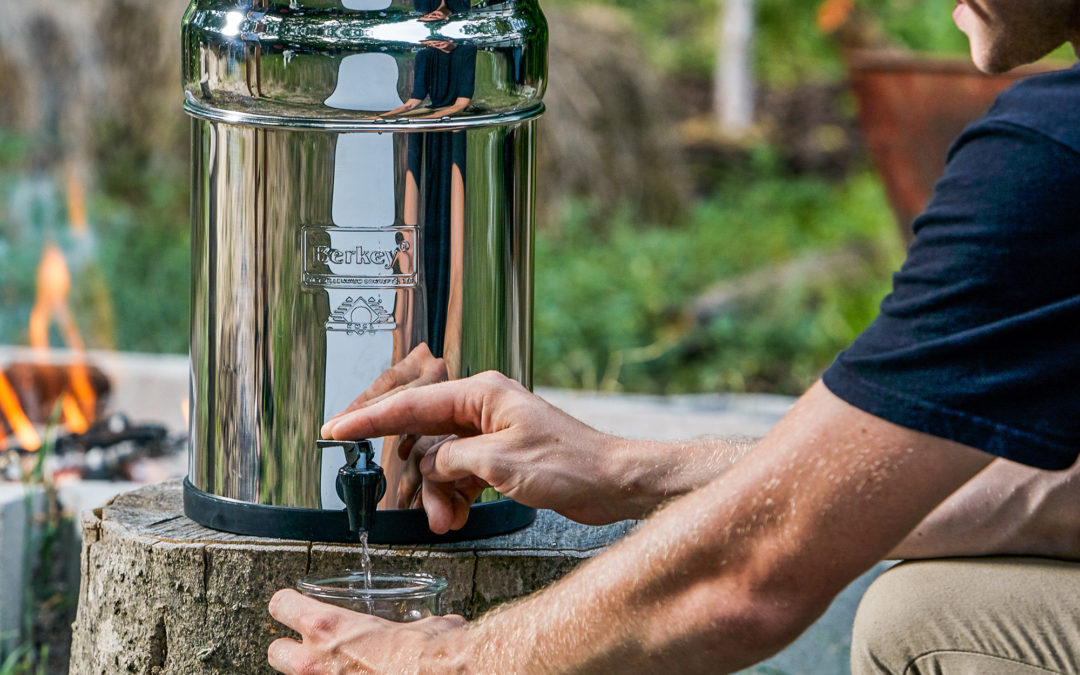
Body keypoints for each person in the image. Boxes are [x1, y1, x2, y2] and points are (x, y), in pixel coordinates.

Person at [267, 2, 1080, 672]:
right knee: (924, 615)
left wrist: (454, 660)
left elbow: (749, 578)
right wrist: (624, 470)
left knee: (921, 625)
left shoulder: (1052, 156)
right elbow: (1053, 494)